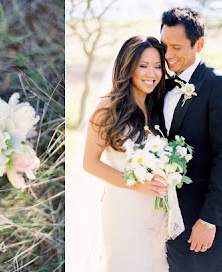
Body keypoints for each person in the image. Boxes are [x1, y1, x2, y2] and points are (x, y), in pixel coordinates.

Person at [160, 7, 222, 272]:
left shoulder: (221, 85)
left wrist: (208, 220)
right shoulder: (158, 85)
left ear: (199, 45)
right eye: (164, 45)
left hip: (202, 221)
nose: (168, 54)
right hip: (165, 218)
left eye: (176, 47)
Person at [82, 35, 170, 271]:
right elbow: (90, 163)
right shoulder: (108, 109)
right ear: (128, 67)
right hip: (123, 208)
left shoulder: (159, 106)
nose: (151, 73)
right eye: (143, 66)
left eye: (157, 66)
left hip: (156, 213)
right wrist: (136, 185)